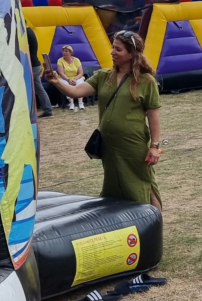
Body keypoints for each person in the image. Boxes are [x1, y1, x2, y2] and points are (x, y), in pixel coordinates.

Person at [46, 30, 162, 209]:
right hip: (108, 145)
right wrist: (55, 81)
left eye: (118, 49)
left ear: (132, 53)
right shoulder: (103, 76)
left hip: (133, 144)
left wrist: (154, 147)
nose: (112, 52)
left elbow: (153, 117)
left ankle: (156, 225)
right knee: (115, 182)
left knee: (144, 182)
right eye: (112, 47)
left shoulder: (146, 81)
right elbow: (76, 92)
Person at [27, 28, 53, 118]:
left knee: (28, 89)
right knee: (39, 89)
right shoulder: (30, 31)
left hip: (32, 66)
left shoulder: (26, 33)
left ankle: (30, 112)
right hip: (35, 65)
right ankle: (48, 109)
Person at [56, 45, 87, 111]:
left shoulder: (76, 60)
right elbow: (61, 73)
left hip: (76, 77)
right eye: (63, 51)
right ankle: (71, 103)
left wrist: (75, 79)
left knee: (80, 84)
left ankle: (80, 103)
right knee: (66, 85)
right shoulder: (60, 60)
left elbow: (81, 73)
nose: (64, 53)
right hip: (65, 78)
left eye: (66, 51)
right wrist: (68, 80)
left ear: (70, 52)